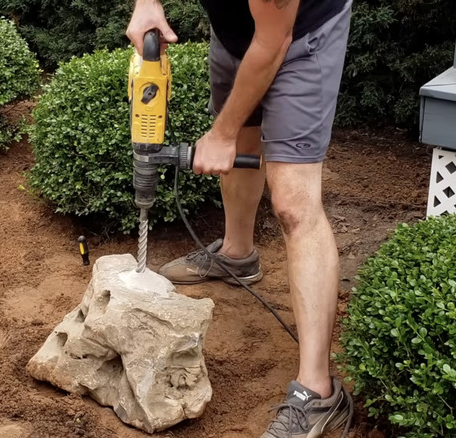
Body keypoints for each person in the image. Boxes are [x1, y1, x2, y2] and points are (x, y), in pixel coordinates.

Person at [126, 0, 354, 436]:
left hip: (300, 35)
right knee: (242, 143)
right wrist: (146, 4)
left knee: (292, 200)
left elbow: (274, 41)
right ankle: (237, 255)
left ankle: (319, 393)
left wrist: (222, 134)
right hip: (236, 37)